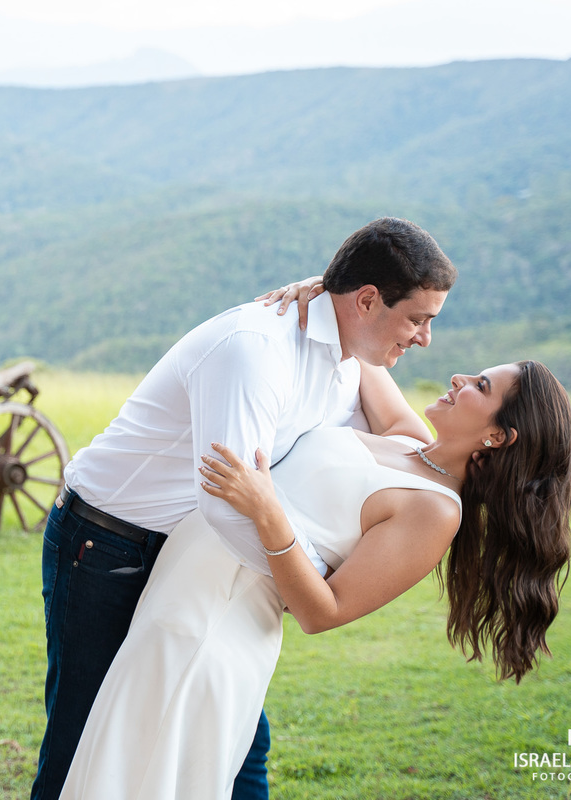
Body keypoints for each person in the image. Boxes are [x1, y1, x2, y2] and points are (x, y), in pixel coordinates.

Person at [32, 217, 457, 800]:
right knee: (87, 741)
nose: (424, 338)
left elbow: (404, 442)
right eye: (419, 319)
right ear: (366, 300)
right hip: (111, 545)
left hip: (198, 567)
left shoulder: (349, 363)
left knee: (239, 742)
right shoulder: (257, 351)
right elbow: (227, 505)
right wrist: (305, 578)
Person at [58, 359, 571, 798]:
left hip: (210, 630)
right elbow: (364, 345)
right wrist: (320, 287)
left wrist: (268, 514)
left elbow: (323, 612)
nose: (461, 378)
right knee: (114, 769)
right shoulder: (408, 440)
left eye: (481, 388)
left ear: (498, 436)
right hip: (172, 607)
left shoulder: (437, 512)